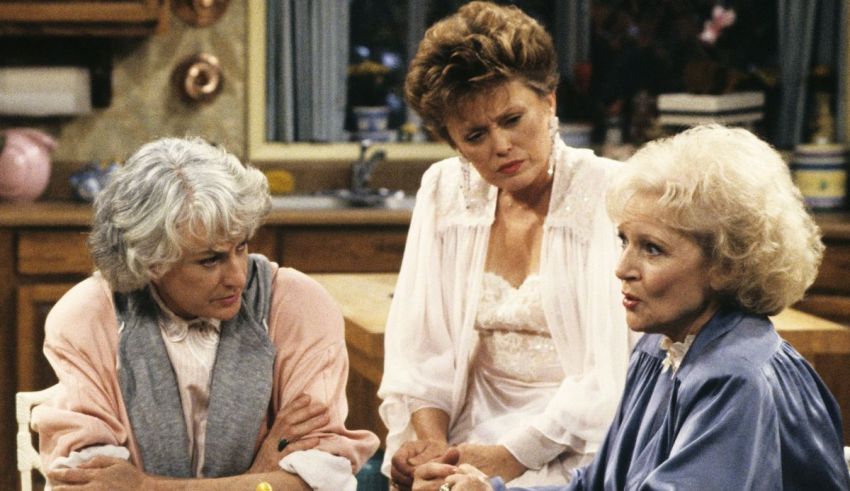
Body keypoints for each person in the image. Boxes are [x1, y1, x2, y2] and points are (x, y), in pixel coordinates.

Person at [421, 124, 850, 491]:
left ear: (725, 264)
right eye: (625, 241)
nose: (622, 268)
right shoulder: (658, 348)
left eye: (653, 249)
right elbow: (596, 485)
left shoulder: (735, 378)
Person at [378, 2, 634, 489]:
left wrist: (512, 456)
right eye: (475, 134)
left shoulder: (611, 192)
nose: (500, 146)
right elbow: (421, 348)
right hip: (466, 431)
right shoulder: (444, 190)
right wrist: (434, 446)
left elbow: (614, 371)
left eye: (512, 118)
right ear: (453, 141)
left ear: (549, 102)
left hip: (581, 441)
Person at [32, 137, 380, 490]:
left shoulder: (297, 305)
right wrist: (261, 473)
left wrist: (145, 486)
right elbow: (89, 485)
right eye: (210, 260)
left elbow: (321, 482)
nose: (238, 278)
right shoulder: (89, 316)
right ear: (152, 261)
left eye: (241, 247)